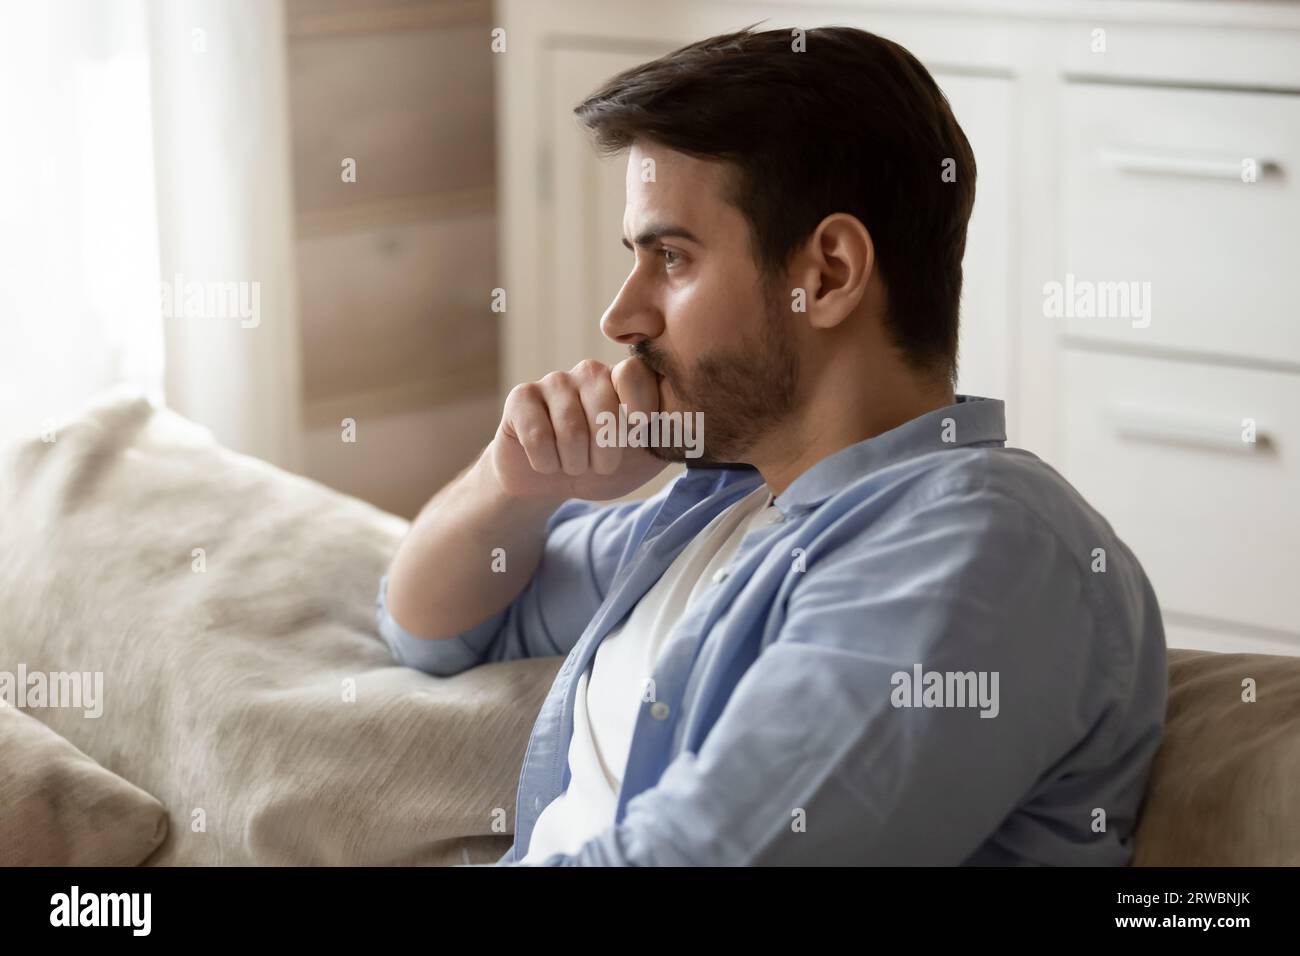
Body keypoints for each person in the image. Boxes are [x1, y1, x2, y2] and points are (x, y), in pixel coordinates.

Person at [378, 24, 1167, 865]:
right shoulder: (729, 507)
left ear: (825, 274)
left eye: (670, 258)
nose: (619, 317)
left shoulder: (979, 542)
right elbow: (431, 626)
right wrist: (516, 481)